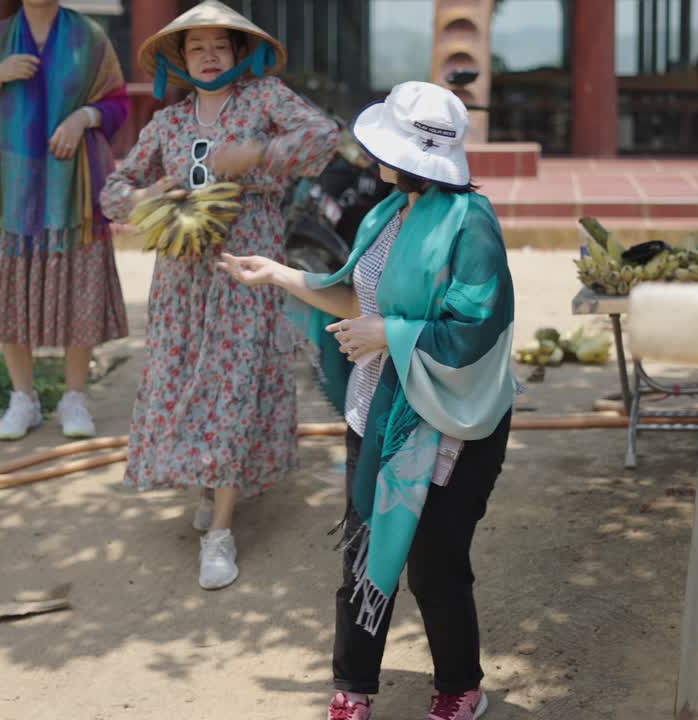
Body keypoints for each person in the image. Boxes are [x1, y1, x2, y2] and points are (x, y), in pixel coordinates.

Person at [219, 81, 516, 720]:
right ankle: (352, 689)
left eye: (384, 146)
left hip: (450, 425)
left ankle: (460, 687)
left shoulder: (472, 224)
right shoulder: (387, 214)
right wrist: (274, 272)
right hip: (376, 414)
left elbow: (474, 328)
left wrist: (391, 334)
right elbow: (355, 298)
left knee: (435, 565)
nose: (371, 155)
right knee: (360, 556)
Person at [100, 0, 338, 591]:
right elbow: (112, 191)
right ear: (181, 59)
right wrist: (148, 194)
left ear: (238, 53)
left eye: (220, 46)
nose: (209, 57)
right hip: (181, 281)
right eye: (197, 47)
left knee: (232, 386)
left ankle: (221, 532)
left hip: (246, 270)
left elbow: (324, 137)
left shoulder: (264, 99)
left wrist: (257, 154)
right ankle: (210, 486)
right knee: (189, 380)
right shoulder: (168, 124)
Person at [0, 0, 130, 441]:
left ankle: (74, 397)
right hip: (13, 187)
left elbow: (116, 103)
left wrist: (82, 117)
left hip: (73, 185)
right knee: (12, 287)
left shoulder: (90, 36)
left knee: (79, 283)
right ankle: (24, 399)